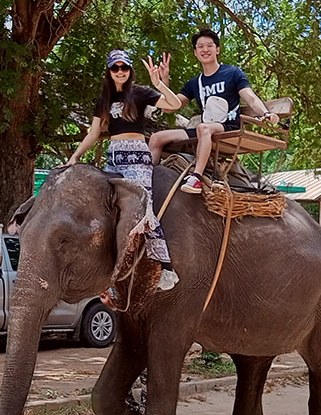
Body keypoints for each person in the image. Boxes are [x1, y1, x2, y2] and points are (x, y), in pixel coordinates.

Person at [65, 49, 182, 290]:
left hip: (137, 154)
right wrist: (74, 157)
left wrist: (159, 83)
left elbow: (174, 104)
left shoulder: (139, 93)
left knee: (144, 207)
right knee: (107, 205)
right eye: (115, 68)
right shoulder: (104, 99)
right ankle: (107, 265)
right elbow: (94, 133)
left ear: (129, 70)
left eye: (124, 68)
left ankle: (166, 267)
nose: (120, 72)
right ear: (109, 71)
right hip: (114, 154)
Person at [148, 28, 279, 194]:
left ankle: (196, 177)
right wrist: (163, 81)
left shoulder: (232, 73)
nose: (205, 50)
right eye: (200, 46)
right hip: (206, 130)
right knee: (156, 137)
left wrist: (266, 114)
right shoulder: (194, 83)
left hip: (228, 127)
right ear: (195, 52)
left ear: (217, 49)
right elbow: (169, 107)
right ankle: (147, 180)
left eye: (209, 45)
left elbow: (250, 97)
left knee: (203, 128)